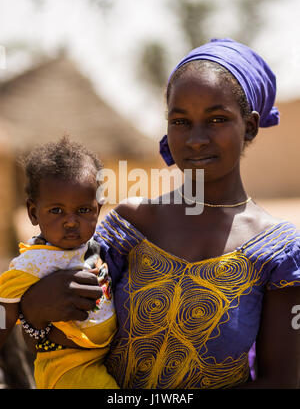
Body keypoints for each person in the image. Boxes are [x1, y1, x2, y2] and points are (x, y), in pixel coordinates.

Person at [20, 39, 300, 389]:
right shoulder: (129, 226)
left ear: (250, 126)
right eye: (181, 121)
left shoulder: (278, 251)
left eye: (216, 119)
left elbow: (282, 382)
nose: (196, 139)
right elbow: (57, 343)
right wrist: (33, 310)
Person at [0, 136, 118, 389]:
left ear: (98, 208)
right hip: (68, 369)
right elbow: (4, 309)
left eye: (84, 210)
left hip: (101, 357)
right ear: (33, 213)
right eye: (56, 211)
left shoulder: (96, 247)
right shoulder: (33, 263)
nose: (71, 221)